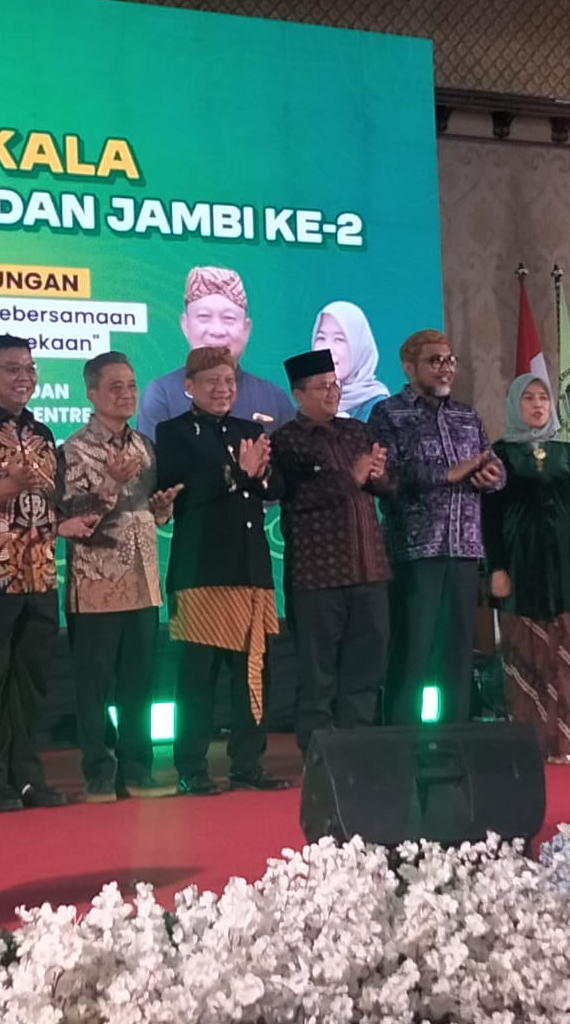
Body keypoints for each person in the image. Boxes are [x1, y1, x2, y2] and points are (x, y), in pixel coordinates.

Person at [0, 334, 97, 812]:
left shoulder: (42, 433)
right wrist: (10, 484)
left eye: (29, 368)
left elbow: (45, 503)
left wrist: (68, 520)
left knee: (31, 680)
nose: (24, 377)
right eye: (12, 368)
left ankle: (27, 775)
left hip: (37, 572)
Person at [156, 346, 289, 796]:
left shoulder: (250, 430)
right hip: (202, 572)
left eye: (228, 381)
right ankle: (191, 766)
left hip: (251, 570)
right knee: (198, 676)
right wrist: (238, 471)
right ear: (188, 386)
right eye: (211, 381)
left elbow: (275, 485)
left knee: (253, 672)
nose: (222, 389)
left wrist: (259, 474)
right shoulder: (173, 432)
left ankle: (247, 763)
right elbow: (182, 490)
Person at [60, 351, 181, 802]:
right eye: (115, 387)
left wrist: (162, 508)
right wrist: (110, 482)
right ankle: (97, 771)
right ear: (92, 394)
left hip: (143, 582)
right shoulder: (74, 450)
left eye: (131, 385)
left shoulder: (144, 445)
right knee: (94, 686)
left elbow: (148, 511)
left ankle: (136, 769)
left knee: (139, 684)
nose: (127, 394)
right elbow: (74, 518)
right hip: (96, 585)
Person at [366, 330, 504, 726]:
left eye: (449, 360)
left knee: (457, 651)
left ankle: (452, 736)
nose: (445, 368)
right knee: (413, 649)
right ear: (409, 367)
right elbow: (388, 477)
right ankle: (403, 737)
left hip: (464, 548)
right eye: (434, 360)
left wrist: (492, 476)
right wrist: (449, 473)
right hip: (415, 550)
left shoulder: (467, 416)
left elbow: (494, 467)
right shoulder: (388, 413)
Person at [481, 374, 570, 764]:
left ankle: (563, 744)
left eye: (543, 397)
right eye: (528, 398)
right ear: (514, 405)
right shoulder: (499, 455)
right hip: (520, 567)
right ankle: (529, 745)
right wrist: (496, 567)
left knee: (567, 657)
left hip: (568, 569)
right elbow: (489, 516)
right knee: (524, 658)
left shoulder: (567, 452)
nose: (537, 405)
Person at [270, 349, 392, 751]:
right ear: (298, 394)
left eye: (335, 384)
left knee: (366, 667)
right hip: (317, 577)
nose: (332, 392)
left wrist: (379, 475)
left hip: (370, 570)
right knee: (317, 672)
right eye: (322, 387)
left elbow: (385, 488)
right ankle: (318, 753)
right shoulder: (285, 441)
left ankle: (357, 749)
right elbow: (296, 498)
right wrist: (350, 477)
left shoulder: (357, 431)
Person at [135, 266, 295, 441]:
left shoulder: (274, 397)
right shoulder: (161, 394)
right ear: (185, 325)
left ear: (246, 328)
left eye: (228, 318)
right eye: (204, 317)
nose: (217, 331)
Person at [310, 300, 389, 420]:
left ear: (359, 347)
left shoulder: (379, 408)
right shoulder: (309, 399)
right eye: (321, 338)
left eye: (339, 339)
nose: (327, 349)